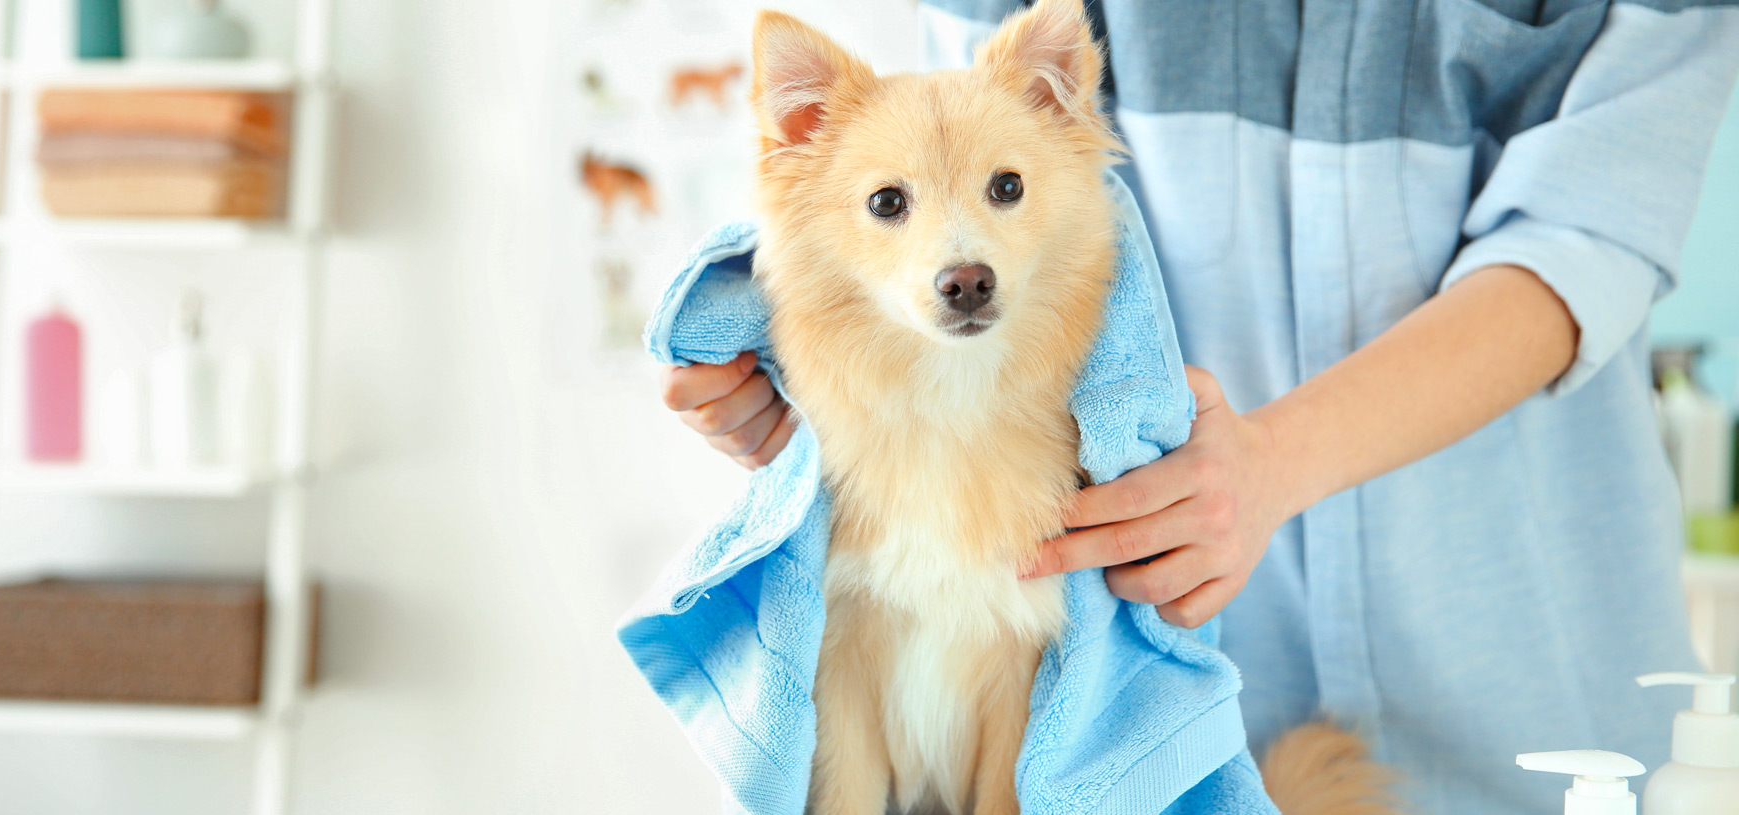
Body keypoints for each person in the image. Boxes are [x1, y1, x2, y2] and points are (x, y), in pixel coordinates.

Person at [659, 1, 1739, 812]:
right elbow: (934, 148)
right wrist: (818, 383)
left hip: (1526, 663)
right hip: (1154, 682)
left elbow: (1587, 228)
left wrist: (1274, 458)